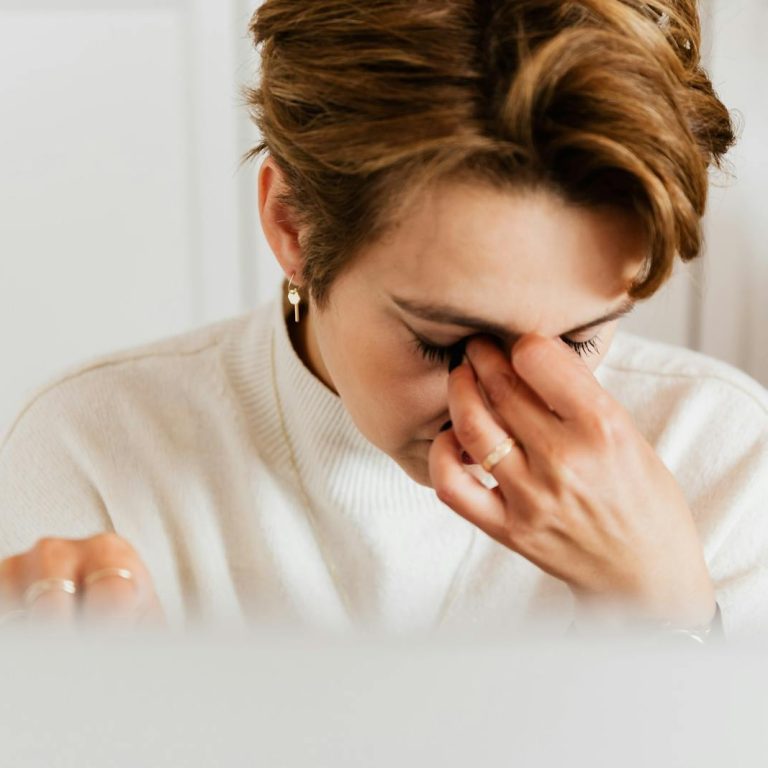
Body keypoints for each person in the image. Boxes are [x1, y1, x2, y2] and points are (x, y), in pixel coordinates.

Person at [1, 0, 766, 641]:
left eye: (580, 340)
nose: (498, 409)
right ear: (291, 224)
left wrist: (665, 615)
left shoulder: (725, 460)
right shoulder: (92, 453)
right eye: (444, 343)